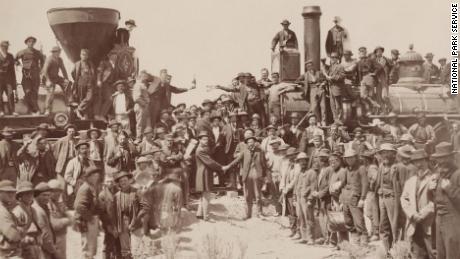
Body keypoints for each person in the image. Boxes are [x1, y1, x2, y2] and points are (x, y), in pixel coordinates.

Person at [400, 149, 436, 259]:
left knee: (433, 252)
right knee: (417, 253)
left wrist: (423, 214)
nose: (419, 164)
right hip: (414, 223)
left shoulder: (434, 178)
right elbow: (404, 199)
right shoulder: (410, 181)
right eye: (416, 162)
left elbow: (436, 200)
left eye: (421, 161)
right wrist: (412, 214)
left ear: (427, 160)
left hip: (429, 223)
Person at [429, 142, 460, 259]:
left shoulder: (458, 175)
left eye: (445, 157)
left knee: (453, 255)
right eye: (439, 158)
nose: (441, 161)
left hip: (454, 221)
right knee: (441, 255)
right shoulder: (439, 175)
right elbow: (437, 200)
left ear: (452, 157)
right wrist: (431, 190)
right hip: (439, 220)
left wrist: (449, 189)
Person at [195, 131, 228, 221]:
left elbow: (211, 153)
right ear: (199, 140)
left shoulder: (204, 148)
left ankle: (199, 213)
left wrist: (217, 143)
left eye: (207, 139)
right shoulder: (200, 150)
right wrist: (221, 167)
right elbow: (210, 162)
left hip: (205, 172)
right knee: (206, 194)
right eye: (204, 139)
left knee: (204, 194)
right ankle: (206, 216)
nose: (206, 141)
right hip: (204, 173)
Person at [73, 166, 102, 259]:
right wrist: (90, 218)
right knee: (87, 248)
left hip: (89, 220)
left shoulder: (92, 187)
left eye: (97, 175)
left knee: (91, 247)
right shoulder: (85, 188)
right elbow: (78, 206)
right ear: (89, 177)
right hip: (85, 221)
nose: (97, 177)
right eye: (94, 175)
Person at [342, 149, 369, 245]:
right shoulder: (346, 170)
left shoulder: (361, 168)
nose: (349, 160)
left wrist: (362, 198)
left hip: (356, 198)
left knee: (359, 220)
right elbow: (344, 184)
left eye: (351, 158)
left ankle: (364, 240)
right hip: (346, 198)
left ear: (355, 158)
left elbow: (365, 184)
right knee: (348, 221)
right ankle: (355, 239)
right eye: (347, 158)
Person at [113, 171, 140, 259]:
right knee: (125, 248)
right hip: (122, 220)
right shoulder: (117, 196)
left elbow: (144, 207)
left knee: (136, 245)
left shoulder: (136, 192)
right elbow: (114, 212)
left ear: (129, 180)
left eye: (125, 180)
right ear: (119, 184)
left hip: (136, 219)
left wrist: (136, 221)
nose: (123, 183)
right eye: (121, 181)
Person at [15, 36, 44, 115]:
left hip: (35, 75)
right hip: (26, 75)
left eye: (32, 42)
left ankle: (34, 110)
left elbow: (43, 60)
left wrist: (41, 69)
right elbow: (14, 59)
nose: (31, 43)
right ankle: (34, 109)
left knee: (34, 92)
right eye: (29, 42)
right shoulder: (22, 52)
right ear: (27, 43)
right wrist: (17, 63)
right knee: (27, 92)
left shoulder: (37, 52)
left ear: (34, 43)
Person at [12, 181, 41, 259]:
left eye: (31, 194)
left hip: (34, 244)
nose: (30, 196)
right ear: (20, 196)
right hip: (22, 247)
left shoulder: (33, 210)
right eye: (27, 194)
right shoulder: (18, 211)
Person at [294, 152, 317, 245]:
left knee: (309, 218)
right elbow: (296, 186)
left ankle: (311, 238)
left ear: (307, 161)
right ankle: (304, 237)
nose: (302, 163)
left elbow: (314, 188)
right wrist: (295, 198)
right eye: (300, 161)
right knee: (300, 217)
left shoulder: (311, 172)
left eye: (304, 161)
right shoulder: (299, 173)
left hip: (306, 199)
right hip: (299, 198)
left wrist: (310, 199)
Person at [32, 182, 59, 259]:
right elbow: (45, 235)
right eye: (44, 195)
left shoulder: (43, 207)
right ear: (36, 196)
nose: (47, 197)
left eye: (48, 195)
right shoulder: (38, 211)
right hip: (43, 250)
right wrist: (53, 250)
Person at [42, 46, 71, 115]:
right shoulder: (49, 59)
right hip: (48, 77)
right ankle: (47, 109)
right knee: (51, 91)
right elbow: (44, 71)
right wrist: (48, 81)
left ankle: (69, 103)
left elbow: (63, 70)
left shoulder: (60, 59)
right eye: (56, 52)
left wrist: (66, 79)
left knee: (68, 84)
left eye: (58, 52)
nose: (58, 54)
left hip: (56, 77)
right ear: (53, 53)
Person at [297, 60, 327, 125]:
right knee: (314, 107)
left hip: (321, 89)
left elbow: (325, 80)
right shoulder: (305, 75)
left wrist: (323, 84)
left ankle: (323, 121)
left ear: (313, 66)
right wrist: (304, 83)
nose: (310, 67)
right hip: (312, 90)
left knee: (323, 106)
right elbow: (297, 81)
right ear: (307, 67)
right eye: (308, 66)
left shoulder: (319, 73)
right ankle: (318, 121)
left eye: (311, 65)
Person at [48, 179, 72, 259]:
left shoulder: (58, 203)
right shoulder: (48, 204)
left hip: (61, 235)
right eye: (54, 191)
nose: (57, 193)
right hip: (53, 237)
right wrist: (66, 221)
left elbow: (69, 216)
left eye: (59, 191)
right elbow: (54, 224)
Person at [0, 180, 24, 258]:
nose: (11, 194)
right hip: (6, 254)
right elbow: (13, 235)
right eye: (7, 192)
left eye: (13, 192)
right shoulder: (2, 210)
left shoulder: (6, 208)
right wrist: (20, 231)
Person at [360, 150, 380, 241]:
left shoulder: (372, 167)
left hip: (372, 192)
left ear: (367, 159)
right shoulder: (367, 167)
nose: (363, 160)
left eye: (364, 158)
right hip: (369, 192)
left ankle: (376, 232)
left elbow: (376, 178)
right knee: (369, 212)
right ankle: (373, 231)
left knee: (372, 212)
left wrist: (371, 183)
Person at [71, 49, 96, 119]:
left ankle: (78, 109)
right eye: (82, 54)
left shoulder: (90, 64)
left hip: (90, 83)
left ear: (88, 56)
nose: (84, 56)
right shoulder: (77, 64)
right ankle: (83, 115)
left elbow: (94, 74)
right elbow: (73, 73)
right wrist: (78, 80)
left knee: (89, 97)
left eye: (85, 55)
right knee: (82, 99)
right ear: (80, 55)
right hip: (81, 82)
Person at [95, 51, 119, 121]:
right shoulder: (104, 63)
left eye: (116, 56)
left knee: (114, 99)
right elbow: (100, 72)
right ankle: (101, 115)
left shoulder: (116, 66)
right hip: (105, 84)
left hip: (112, 85)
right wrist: (99, 80)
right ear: (109, 56)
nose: (115, 57)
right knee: (109, 99)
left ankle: (109, 116)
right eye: (113, 55)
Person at [324, 52, 346, 121]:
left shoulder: (340, 66)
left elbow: (342, 76)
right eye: (332, 57)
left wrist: (332, 78)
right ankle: (335, 119)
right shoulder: (331, 67)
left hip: (337, 88)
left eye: (334, 57)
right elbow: (327, 76)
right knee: (332, 105)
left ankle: (339, 119)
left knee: (338, 105)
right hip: (331, 88)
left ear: (337, 59)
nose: (333, 59)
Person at [132, 72, 153, 141]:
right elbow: (137, 98)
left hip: (144, 106)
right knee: (140, 124)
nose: (146, 78)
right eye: (145, 76)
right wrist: (144, 104)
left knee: (145, 124)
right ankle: (139, 138)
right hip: (141, 106)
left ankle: (144, 139)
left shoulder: (143, 85)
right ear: (141, 76)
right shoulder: (138, 85)